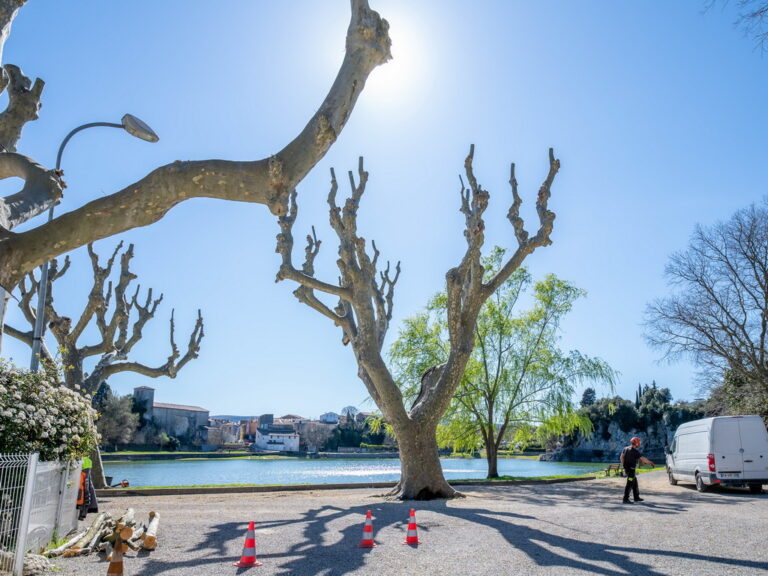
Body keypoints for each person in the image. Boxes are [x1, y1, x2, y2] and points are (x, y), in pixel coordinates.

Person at [620, 436, 654, 503]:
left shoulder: (625, 449)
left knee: (635, 482)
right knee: (629, 484)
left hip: (627, 469)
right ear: (637, 443)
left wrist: (624, 465)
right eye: (638, 442)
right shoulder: (635, 452)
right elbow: (643, 459)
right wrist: (650, 462)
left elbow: (621, 457)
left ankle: (636, 497)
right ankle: (625, 499)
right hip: (631, 470)